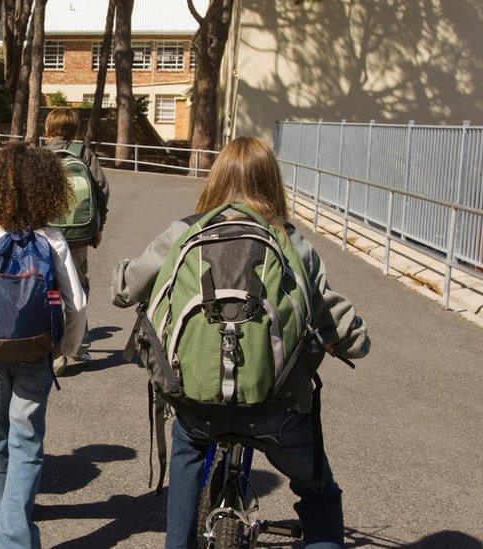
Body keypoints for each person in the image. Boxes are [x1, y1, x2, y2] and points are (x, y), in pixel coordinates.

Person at [111, 137, 370, 549]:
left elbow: (124, 290)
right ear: (272, 182)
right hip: (274, 406)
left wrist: (125, 274)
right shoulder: (290, 241)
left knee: (187, 452)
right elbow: (335, 318)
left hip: (195, 403)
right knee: (320, 492)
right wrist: (355, 341)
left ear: (216, 178)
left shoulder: (186, 230)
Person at [0, 143, 87, 548]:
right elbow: (77, 304)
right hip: (37, 351)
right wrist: (66, 347)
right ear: (47, 189)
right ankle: (13, 533)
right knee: (26, 438)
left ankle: (0, 502)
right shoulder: (53, 239)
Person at [43, 108, 110, 373]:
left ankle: (53, 349)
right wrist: (98, 226)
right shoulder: (84, 153)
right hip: (78, 234)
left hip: (44, 233)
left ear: (48, 129)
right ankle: (79, 345)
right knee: (77, 286)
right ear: (75, 129)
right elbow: (102, 189)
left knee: (47, 287)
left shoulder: (42, 155)